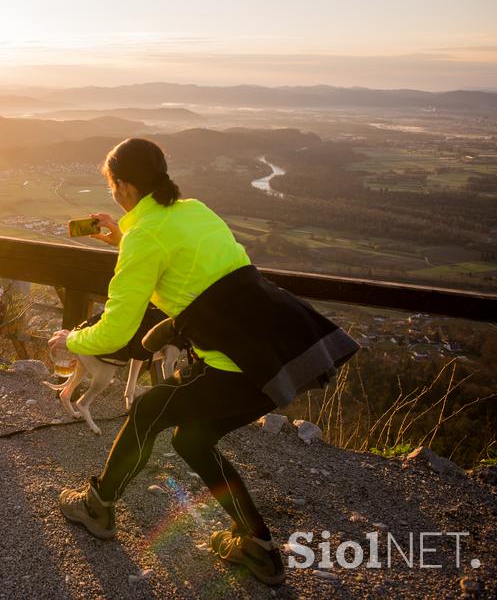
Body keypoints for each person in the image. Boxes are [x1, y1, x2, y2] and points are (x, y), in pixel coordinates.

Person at [50, 138, 358, 586]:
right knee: (193, 441)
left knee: (148, 411)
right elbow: (192, 274)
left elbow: (116, 332)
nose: (112, 192)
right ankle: (259, 547)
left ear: (126, 187)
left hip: (236, 363)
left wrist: (72, 339)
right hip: (280, 349)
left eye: (111, 184)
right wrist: (122, 238)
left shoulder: (146, 236)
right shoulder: (194, 210)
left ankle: (98, 505)